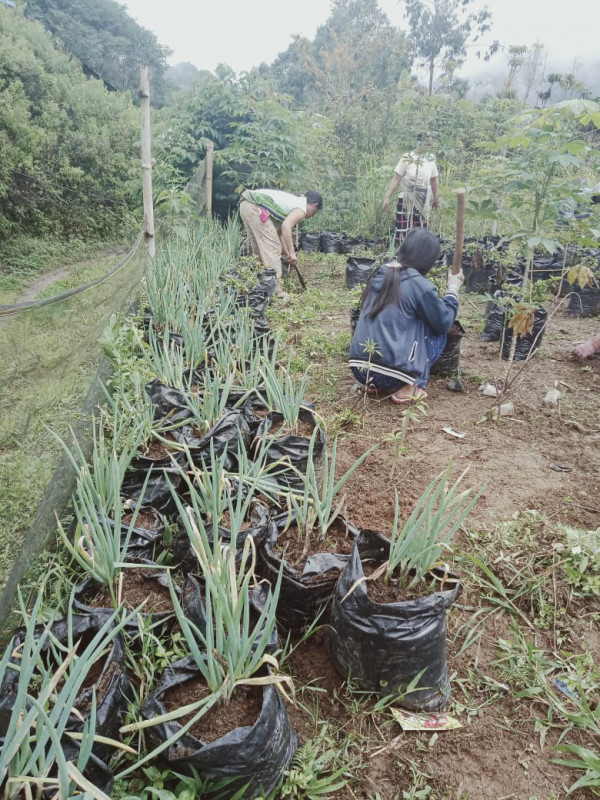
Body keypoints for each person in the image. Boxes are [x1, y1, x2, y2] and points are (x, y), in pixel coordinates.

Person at [348, 228, 464, 404]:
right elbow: (443, 321)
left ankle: (374, 385)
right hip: (391, 375)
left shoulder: (380, 273)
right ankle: (410, 386)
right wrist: (452, 289)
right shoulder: (419, 285)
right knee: (437, 330)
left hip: (360, 368)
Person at [239, 188, 323, 301]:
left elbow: (279, 232)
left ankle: (263, 286)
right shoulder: (301, 208)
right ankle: (277, 291)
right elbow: (286, 227)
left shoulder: (293, 203)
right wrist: (293, 253)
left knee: (261, 249)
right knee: (272, 249)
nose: (312, 215)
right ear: (314, 206)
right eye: (315, 212)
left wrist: (287, 253)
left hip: (246, 205)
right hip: (255, 207)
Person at [382, 134, 439, 247]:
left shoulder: (431, 158)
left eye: (430, 144)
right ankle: (400, 256)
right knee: (403, 229)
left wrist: (436, 199)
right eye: (426, 143)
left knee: (420, 231)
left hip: (422, 200)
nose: (428, 146)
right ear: (418, 142)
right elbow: (396, 178)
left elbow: (433, 180)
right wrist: (387, 197)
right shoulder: (407, 157)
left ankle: (417, 258)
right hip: (406, 198)